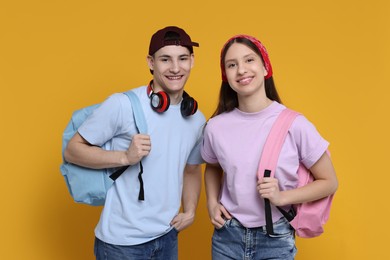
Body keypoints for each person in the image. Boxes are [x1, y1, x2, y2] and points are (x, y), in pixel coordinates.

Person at [64, 26, 205, 260]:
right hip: (121, 244)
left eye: (182, 58)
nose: (175, 68)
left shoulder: (195, 118)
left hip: (168, 237)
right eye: (165, 59)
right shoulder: (123, 105)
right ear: (151, 62)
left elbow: (191, 169)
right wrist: (124, 157)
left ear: (192, 60)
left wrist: (190, 210)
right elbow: (72, 150)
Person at [201, 34, 338, 260]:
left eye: (249, 60)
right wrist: (212, 202)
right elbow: (213, 166)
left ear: (265, 68)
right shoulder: (215, 127)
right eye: (232, 65)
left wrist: (283, 197)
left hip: (275, 237)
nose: (241, 70)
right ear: (226, 76)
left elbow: (330, 182)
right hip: (227, 236)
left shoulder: (295, 124)